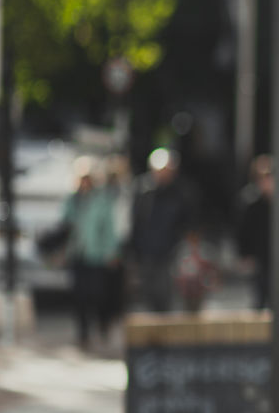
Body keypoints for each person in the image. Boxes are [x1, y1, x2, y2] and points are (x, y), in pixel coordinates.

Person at [61, 158, 121, 348]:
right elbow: (64, 227)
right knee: (79, 297)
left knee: (98, 295)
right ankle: (83, 334)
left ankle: (103, 326)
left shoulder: (102, 201)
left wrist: (112, 251)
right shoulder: (72, 201)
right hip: (78, 255)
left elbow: (109, 228)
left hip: (96, 255)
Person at [129, 147, 194, 312]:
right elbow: (135, 221)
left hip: (169, 252)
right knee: (147, 294)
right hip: (146, 250)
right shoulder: (142, 190)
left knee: (165, 293)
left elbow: (187, 221)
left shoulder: (181, 192)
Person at [235, 154, 274, 311]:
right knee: (258, 300)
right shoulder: (249, 200)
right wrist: (244, 254)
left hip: (275, 257)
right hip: (257, 258)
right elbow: (242, 230)